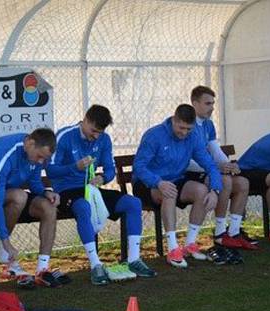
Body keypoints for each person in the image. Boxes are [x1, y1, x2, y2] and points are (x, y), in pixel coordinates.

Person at [47, 105, 157, 286]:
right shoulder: (65, 136)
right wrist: (75, 167)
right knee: (83, 206)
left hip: (91, 189)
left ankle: (134, 259)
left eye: (100, 132)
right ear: (86, 120)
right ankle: (96, 265)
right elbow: (50, 171)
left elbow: (110, 170)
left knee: (133, 203)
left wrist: (102, 178)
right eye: (93, 131)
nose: (96, 136)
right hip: (67, 190)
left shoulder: (104, 139)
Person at [133, 104, 223, 268]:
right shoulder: (154, 135)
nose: (185, 133)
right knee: (170, 193)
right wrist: (158, 182)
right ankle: (173, 249)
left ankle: (189, 244)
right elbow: (139, 167)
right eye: (181, 127)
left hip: (175, 179)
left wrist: (215, 190)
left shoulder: (193, 136)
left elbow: (210, 165)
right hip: (147, 183)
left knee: (202, 191)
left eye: (189, 129)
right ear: (174, 120)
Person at [0, 128, 68, 288]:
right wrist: (5, 240)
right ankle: (6, 258)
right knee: (19, 196)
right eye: (40, 156)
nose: (41, 162)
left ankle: (42, 269)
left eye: (44, 159)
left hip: (13, 195)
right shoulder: (4, 153)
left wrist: (46, 193)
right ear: (30, 144)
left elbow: (34, 183)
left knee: (49, 207)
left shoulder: (36, 155)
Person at [186, 86, 256, 252]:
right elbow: (185, 161)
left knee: (243, 183)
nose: (211, 108)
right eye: (207, 103)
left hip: (209, 170)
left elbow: (215, 149)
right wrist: (217, 168)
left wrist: (228, 164)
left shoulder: (208, 124)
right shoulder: (186, 124)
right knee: (224, 181)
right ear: (194, 103)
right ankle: (219, 232)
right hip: (190, 174)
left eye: (213, 104)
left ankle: (233, 232)